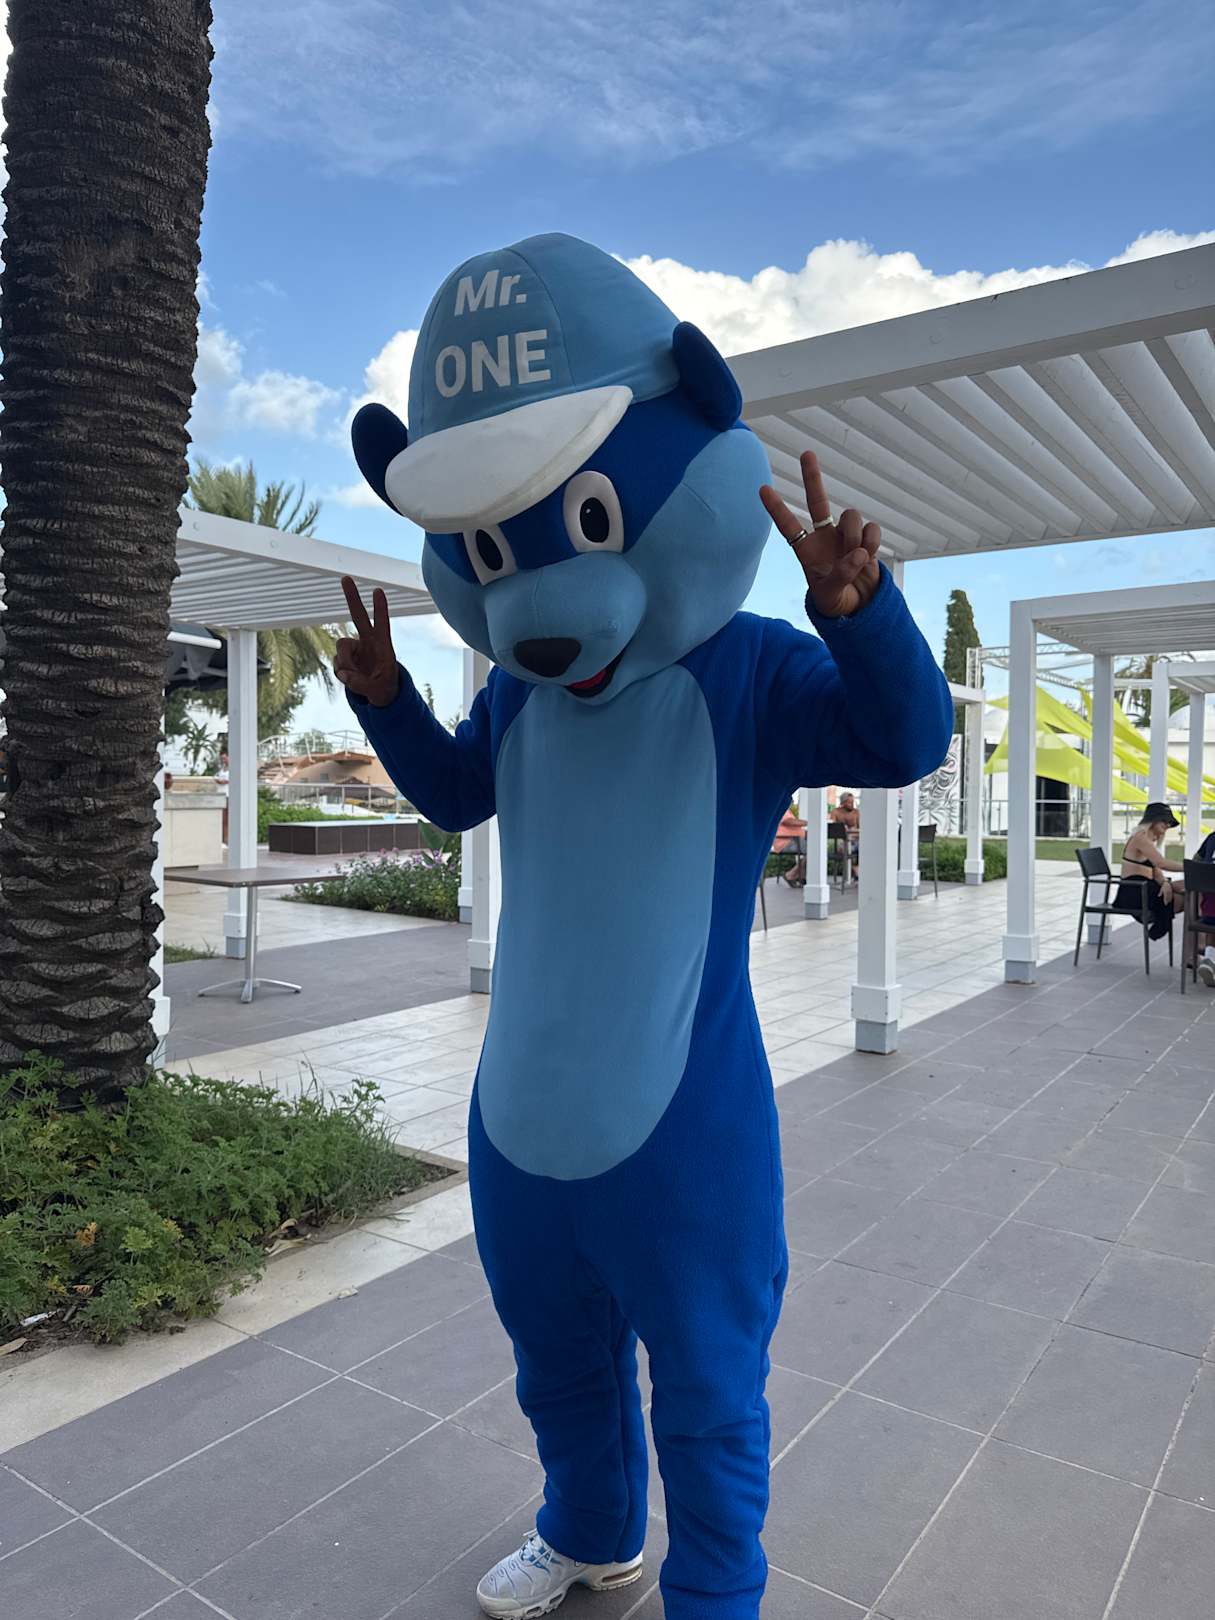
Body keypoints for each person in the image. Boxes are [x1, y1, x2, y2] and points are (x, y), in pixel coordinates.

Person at [336, 233, 952, 1620]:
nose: (537, 607)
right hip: (518, 1118)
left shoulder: (748, 672)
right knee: (554, 1367)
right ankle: (589, 1533)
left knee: (709, 1385)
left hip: (685, 1130)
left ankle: (716, 1594)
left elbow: (900, 742)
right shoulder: (518, 697)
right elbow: (457, 797)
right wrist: (386, 704)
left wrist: (860, 621)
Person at [1115, 803, 1185, 939]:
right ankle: (1161, 929)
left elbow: (1156, 870)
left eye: (1169, 822)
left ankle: (1198, 944)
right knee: (1187, 900)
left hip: (1145, 888)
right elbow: (1161, 863)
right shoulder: (1140, 838)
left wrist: (1165, 883)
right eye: (1164, 820)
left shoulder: (1148, 841)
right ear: (1153, 820)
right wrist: (1190, 867)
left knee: (1187, 890)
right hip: (1134, 892)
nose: (1167, 825)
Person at [773, 802, 807, 884]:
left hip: (793, 841)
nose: (793, 802)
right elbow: (788, 821)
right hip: (786, 842)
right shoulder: (781, 808)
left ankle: (800, 876)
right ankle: (790, 875)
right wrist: (808, 822)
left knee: (815, 851)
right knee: (815, 850)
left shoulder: (784, 809)